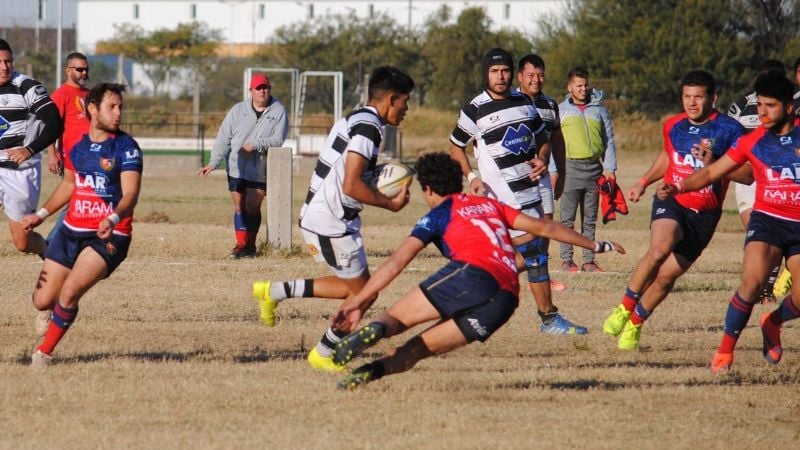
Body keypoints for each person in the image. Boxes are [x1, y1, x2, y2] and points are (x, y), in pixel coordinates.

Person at [328, 153, 625, 389]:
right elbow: (544, 227)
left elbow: (397, 262)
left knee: (395, 320)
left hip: (472, 274)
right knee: (417, 350)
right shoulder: (490, 206)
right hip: (505, 299)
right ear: (457, 182)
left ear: (428, 190)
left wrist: (358, 301)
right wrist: (595, 245)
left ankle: (376, 330)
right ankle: (364, 375)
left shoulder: (438, 213)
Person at [251, 66, 413, 371]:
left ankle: (272, 292)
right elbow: (351, 184)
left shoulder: (356, 118)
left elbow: (349, 176)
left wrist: (378, 177)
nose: (407, 110)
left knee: (355, 287)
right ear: (392, 99)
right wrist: (389, 204)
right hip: (331, 222)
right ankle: (324, 353)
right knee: (366, 294)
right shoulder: (368, 129)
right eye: (405, 102)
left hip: (326, 215)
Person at [657, 71, 800, 373]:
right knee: (751, 283)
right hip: (768, 221)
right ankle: (724, 352)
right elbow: (712, 171)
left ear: (789, 107)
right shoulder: (753, 141)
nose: (761, 112)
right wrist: (679, 187)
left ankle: (773, 322)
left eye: (770, 106)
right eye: (759, 105)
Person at [603, 70, 747, 351]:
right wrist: (644, 182)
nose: (691, 103)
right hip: (672, 199)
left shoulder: (730, 130)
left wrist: (716, 162)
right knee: (659, 249)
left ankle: (635, 322)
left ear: (713, 98)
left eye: (698, 97)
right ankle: (624, 307)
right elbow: (668, 156)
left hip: (705, 216)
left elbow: (749, 175)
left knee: (667, 276)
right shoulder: (673, 125)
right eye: (686, 96)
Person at [449, 48, 587, 336]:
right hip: (501, 197)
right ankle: (542, 316)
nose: (500, 76)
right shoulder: (475, 109)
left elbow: (543, 138)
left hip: (530, 192)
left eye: (504, 71)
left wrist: (543, 158)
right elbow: (455, 146)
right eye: (494, 71)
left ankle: (540, 316)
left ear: (511, 74)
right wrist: (472, 177)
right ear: (486, 74)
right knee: (532, 251)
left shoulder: (523, 101)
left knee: (532, 253)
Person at [20, 83, 142, 367]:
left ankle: (44, 353)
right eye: (112, 107)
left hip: (109, 235)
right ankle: (54, 311)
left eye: (121, 107)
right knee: (41, 301)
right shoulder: (78, 147)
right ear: (93, 109)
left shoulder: (126, 147)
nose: (118, 113)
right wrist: (41, 215)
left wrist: (112, 218)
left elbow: (131, 194)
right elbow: (68, 185)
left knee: (70, 292)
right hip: (70, 230)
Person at [199, 73, 288, 259]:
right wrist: (213, 162)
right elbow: (223, 138)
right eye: (258, 88)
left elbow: (278, 139)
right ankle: (241, 246)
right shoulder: (238, 110)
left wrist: (255, 144)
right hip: (236, 166)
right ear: (251, 91)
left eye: (265, 88)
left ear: (269, 89)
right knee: (240, 206)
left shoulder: (278, 111)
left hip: (260, 168)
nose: (262, 91)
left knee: (252, 206)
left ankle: (250, 246)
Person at [727, 60, 790, 302]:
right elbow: (729, 137)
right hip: (749, 173)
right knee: (752, 224)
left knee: (778, 232)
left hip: (780, 176)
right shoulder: (741, 106)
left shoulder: (791, 105)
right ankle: (762, 282)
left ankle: (768, 284)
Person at [0, 38, 63, 256]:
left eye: (8, 61)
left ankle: (51, 253)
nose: (4, 67)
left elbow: (55, 123)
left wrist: (28, 150)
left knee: (23, 243)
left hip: (21, 171)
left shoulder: (27, 87)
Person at [557, 67, 617, 272]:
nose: (583, 89)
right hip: (570, 168)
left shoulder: (599, 110)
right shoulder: (561, 110)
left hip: (594, 169)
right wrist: (554, 170)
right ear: (570, 87)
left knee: (590, 218)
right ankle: (567, 260)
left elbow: (609, 140)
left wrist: (610, 168)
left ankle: (588, 260)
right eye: (578, 85)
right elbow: (553, 142)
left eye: (585, 85)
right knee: (567, 219)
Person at [515, 53, 567, 293]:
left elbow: (557, 140)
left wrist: (562, 173)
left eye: (540, 75)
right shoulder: (509, 102)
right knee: (515, 226)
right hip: (513, 177)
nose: (536, 80)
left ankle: (540, 276)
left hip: (542, 174)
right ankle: (504, 271)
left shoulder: (550, 105)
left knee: (546, 224)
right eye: (531, 75)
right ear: (520, 77)